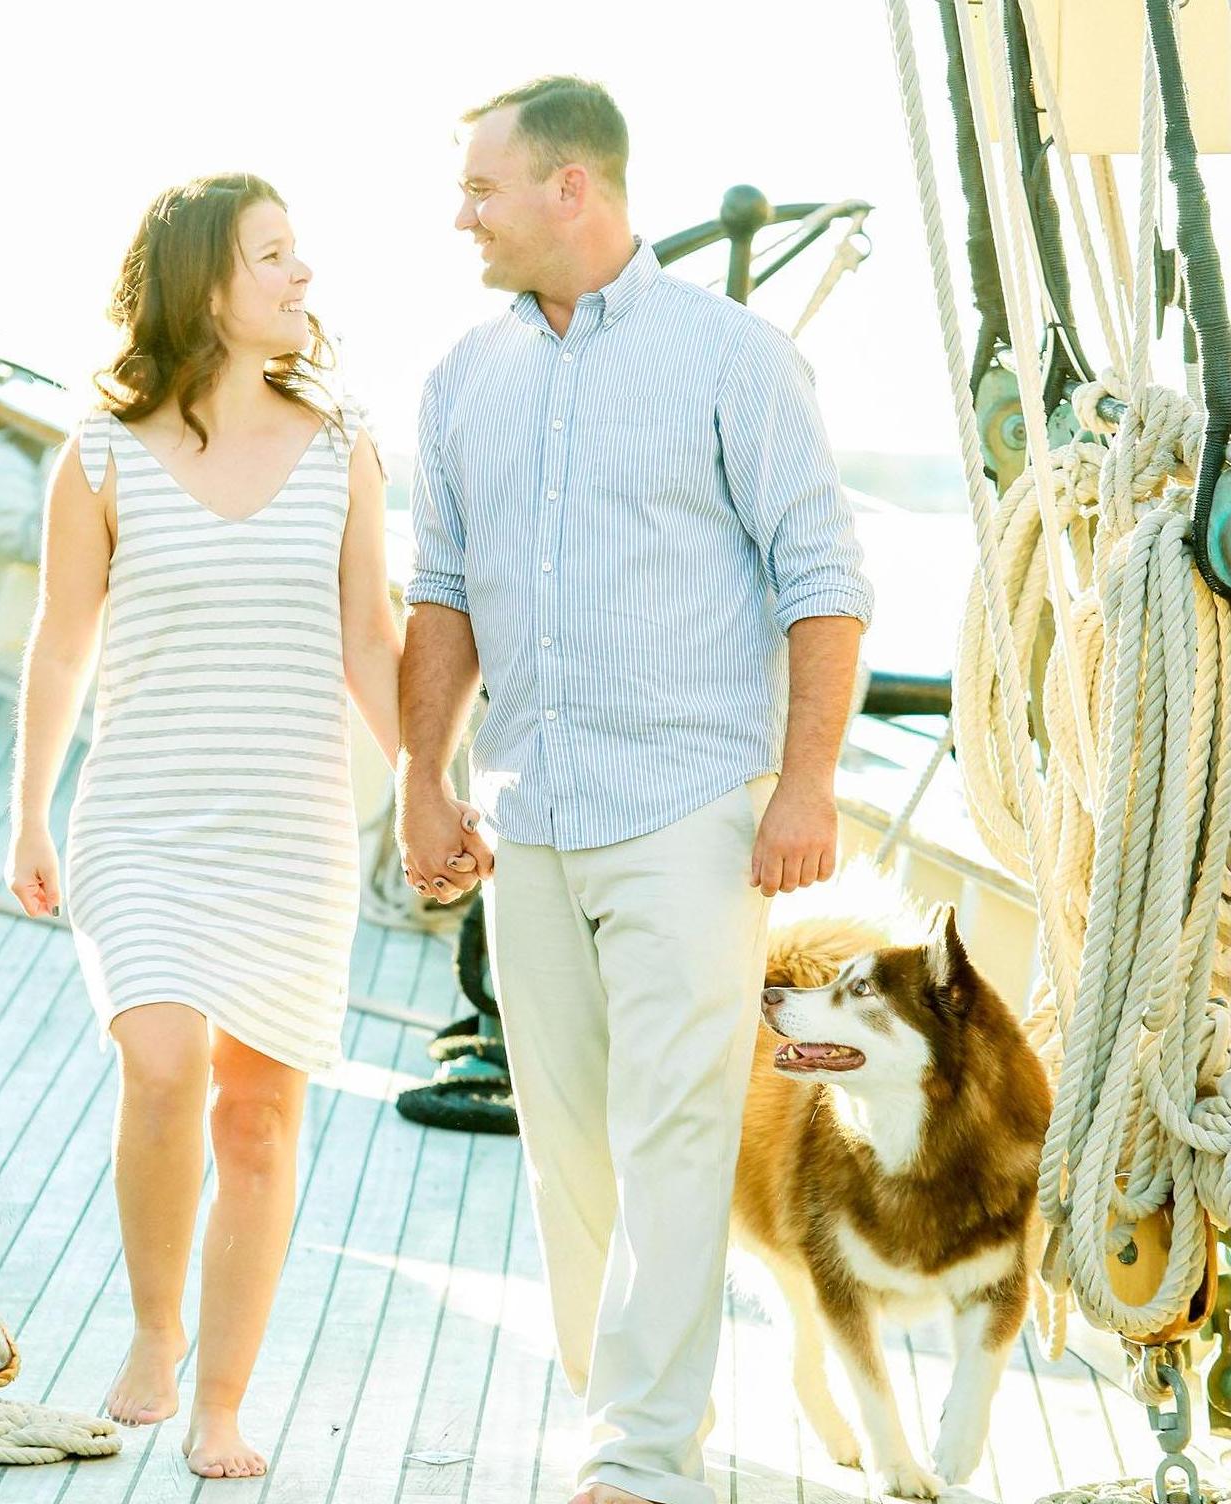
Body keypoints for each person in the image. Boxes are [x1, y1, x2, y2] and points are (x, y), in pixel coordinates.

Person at [395, 78, 874, 1504]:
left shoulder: (734, 359)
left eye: (480, 188)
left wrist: (807, 786)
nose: (459, 215)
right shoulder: (459, 381)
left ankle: (640, 1456)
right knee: (570, 1148)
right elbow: (439, 599)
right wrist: (423, 779)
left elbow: (825, 579)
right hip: (529, 815)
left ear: (572, 190)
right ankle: (624, 1410)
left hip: (690, 812)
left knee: (673, 1125)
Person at [5, 172, 478, 1481]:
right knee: (161, 1066)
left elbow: (370, 639)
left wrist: (430, 789)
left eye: (298, 255)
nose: (303, 277)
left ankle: (219, 1399)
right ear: (206, 282)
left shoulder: (342, 446)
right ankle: (154, 1333)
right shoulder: (97, 451)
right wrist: (28, 814)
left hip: (292, 831)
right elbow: (59, 647)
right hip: (142, 821)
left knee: (258, 1119)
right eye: (275, 256)